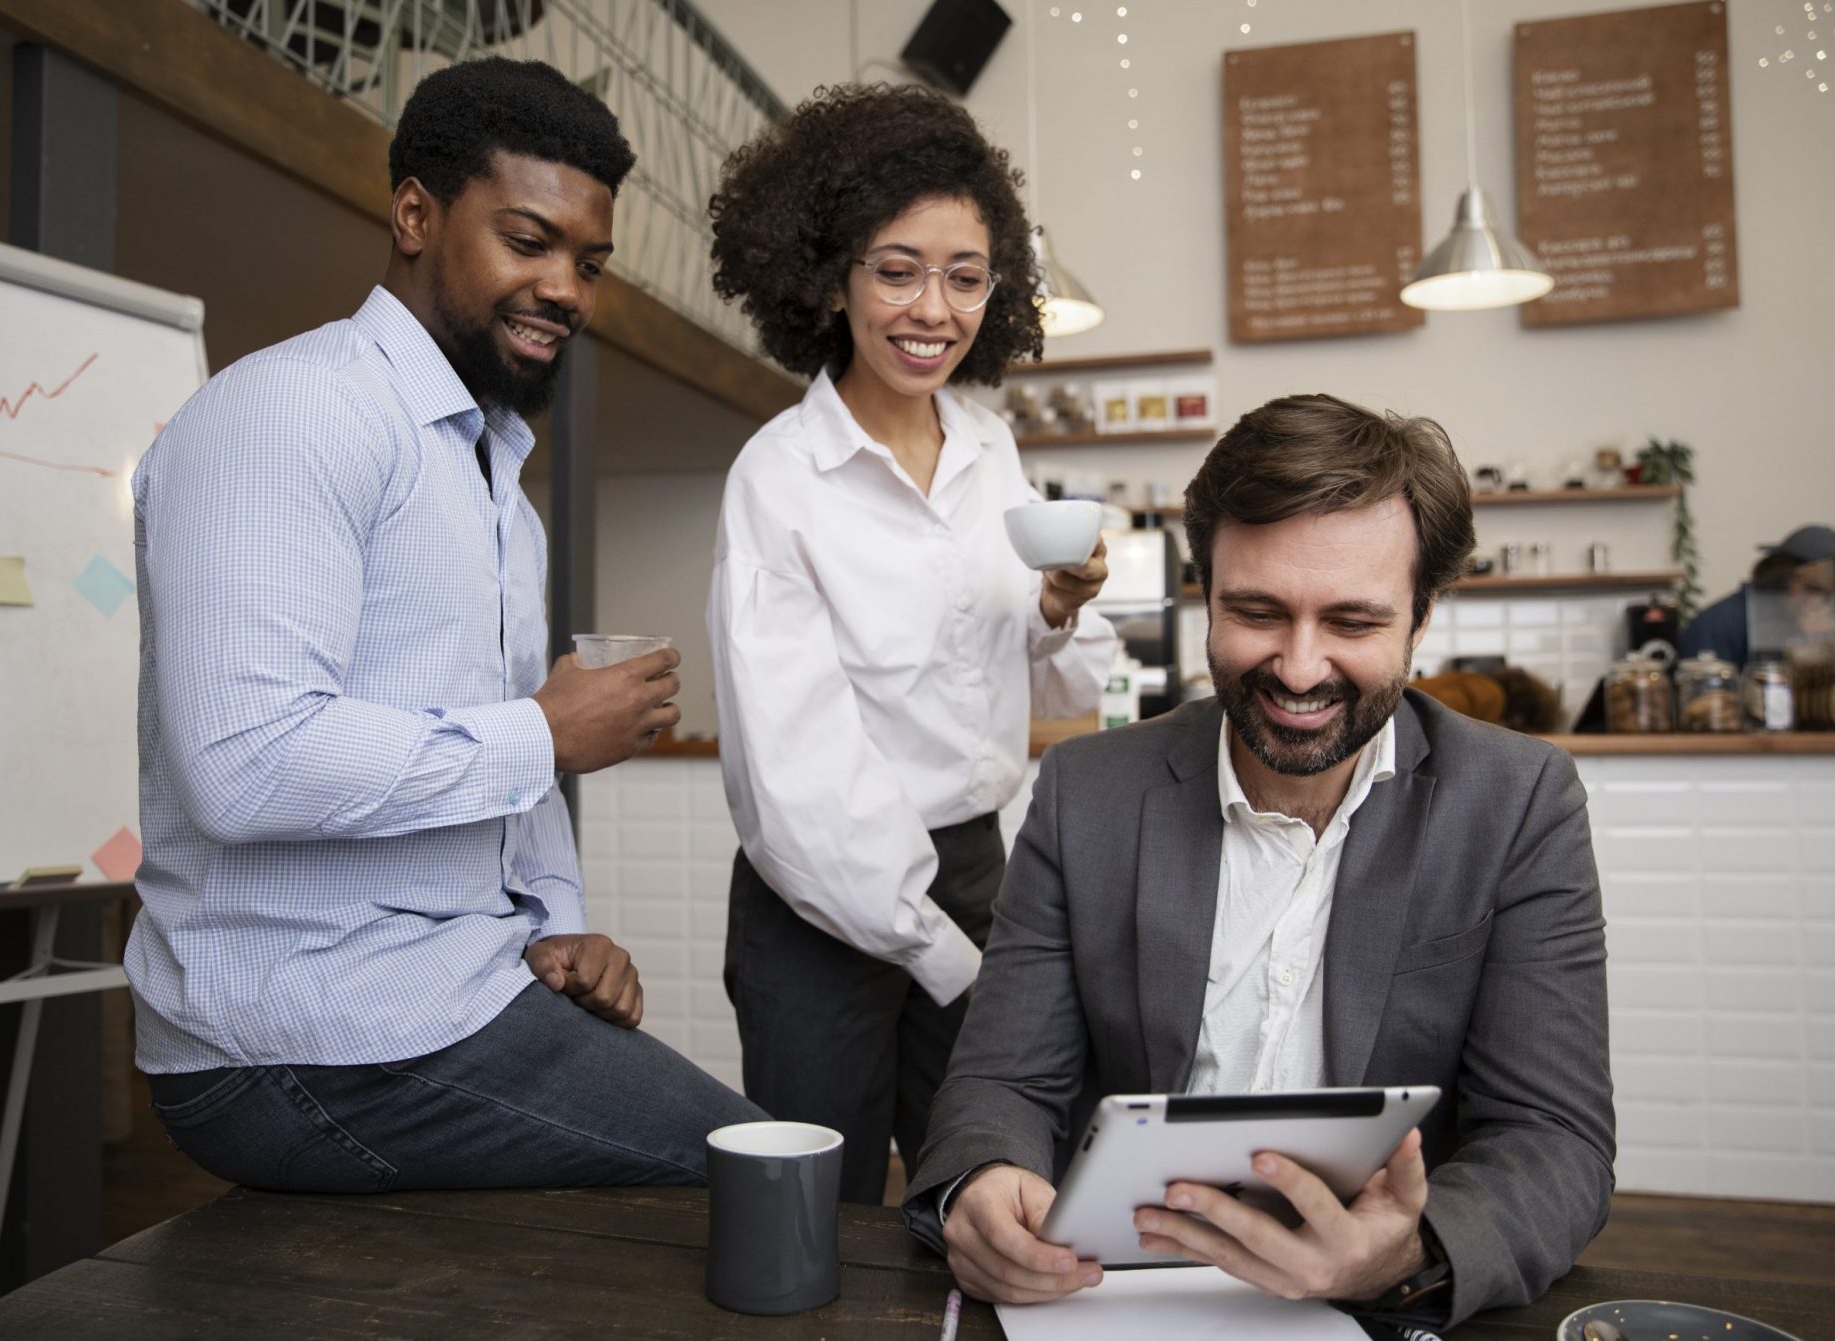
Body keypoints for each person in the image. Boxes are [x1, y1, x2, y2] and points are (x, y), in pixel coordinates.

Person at [126, 58, 762, 1193]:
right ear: (414, 213)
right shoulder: (292, 413)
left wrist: (554, 927)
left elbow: (486, 763)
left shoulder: (493, 485)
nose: (568, 288)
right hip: (301, 1036)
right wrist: (545, 734)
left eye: (590, 263)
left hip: (450, 992)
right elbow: (241, 762)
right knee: (760, 1179)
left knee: (752, 1172)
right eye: (529, 241)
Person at [905, 394, 1615, 1330]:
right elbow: (1002, 1079)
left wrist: (1405, 1252)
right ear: (1205, 591)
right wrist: (984, 1183)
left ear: (1423, 614)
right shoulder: (1087, 792)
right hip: (1110, 1291)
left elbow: (1554, 1136)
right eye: (1257, 610)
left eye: (1354, 622)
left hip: (1378, 1304)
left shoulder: (1519, 802)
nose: (1300, 666)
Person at [705, 83, 1118, 1205]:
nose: (933, 308)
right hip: (820, 901)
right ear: (829, 274)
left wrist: (1061, 608)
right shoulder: (780, 479)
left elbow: (1036, 667)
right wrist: (949, 959)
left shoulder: (991, 451)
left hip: (977, 866)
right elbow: (799, 780)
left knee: (985, 1187)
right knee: (814, 1219)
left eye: (966, 275)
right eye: (897, 268)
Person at [1677, 523, 1835, 665]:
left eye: (1829, 595)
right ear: (1780, 578)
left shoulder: (1817, 628)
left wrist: (1822, 645)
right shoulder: (1717, 625)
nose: (1818, 603)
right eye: (1812, 589)